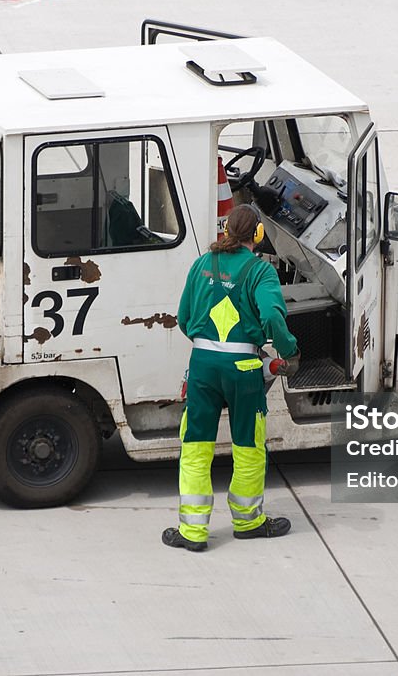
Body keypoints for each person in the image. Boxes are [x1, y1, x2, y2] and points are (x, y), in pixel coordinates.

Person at [162, 205, 300, 552]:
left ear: (226, 231)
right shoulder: (260, 272)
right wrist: (288, 350)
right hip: (243, 370)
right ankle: (248, 521)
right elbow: (270, 314)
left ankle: (192, 532)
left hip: (203, 366)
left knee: (195, 447)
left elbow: (183, 317)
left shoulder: (202, 263)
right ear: (257, 235)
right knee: (248, 446)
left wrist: (208, 345)